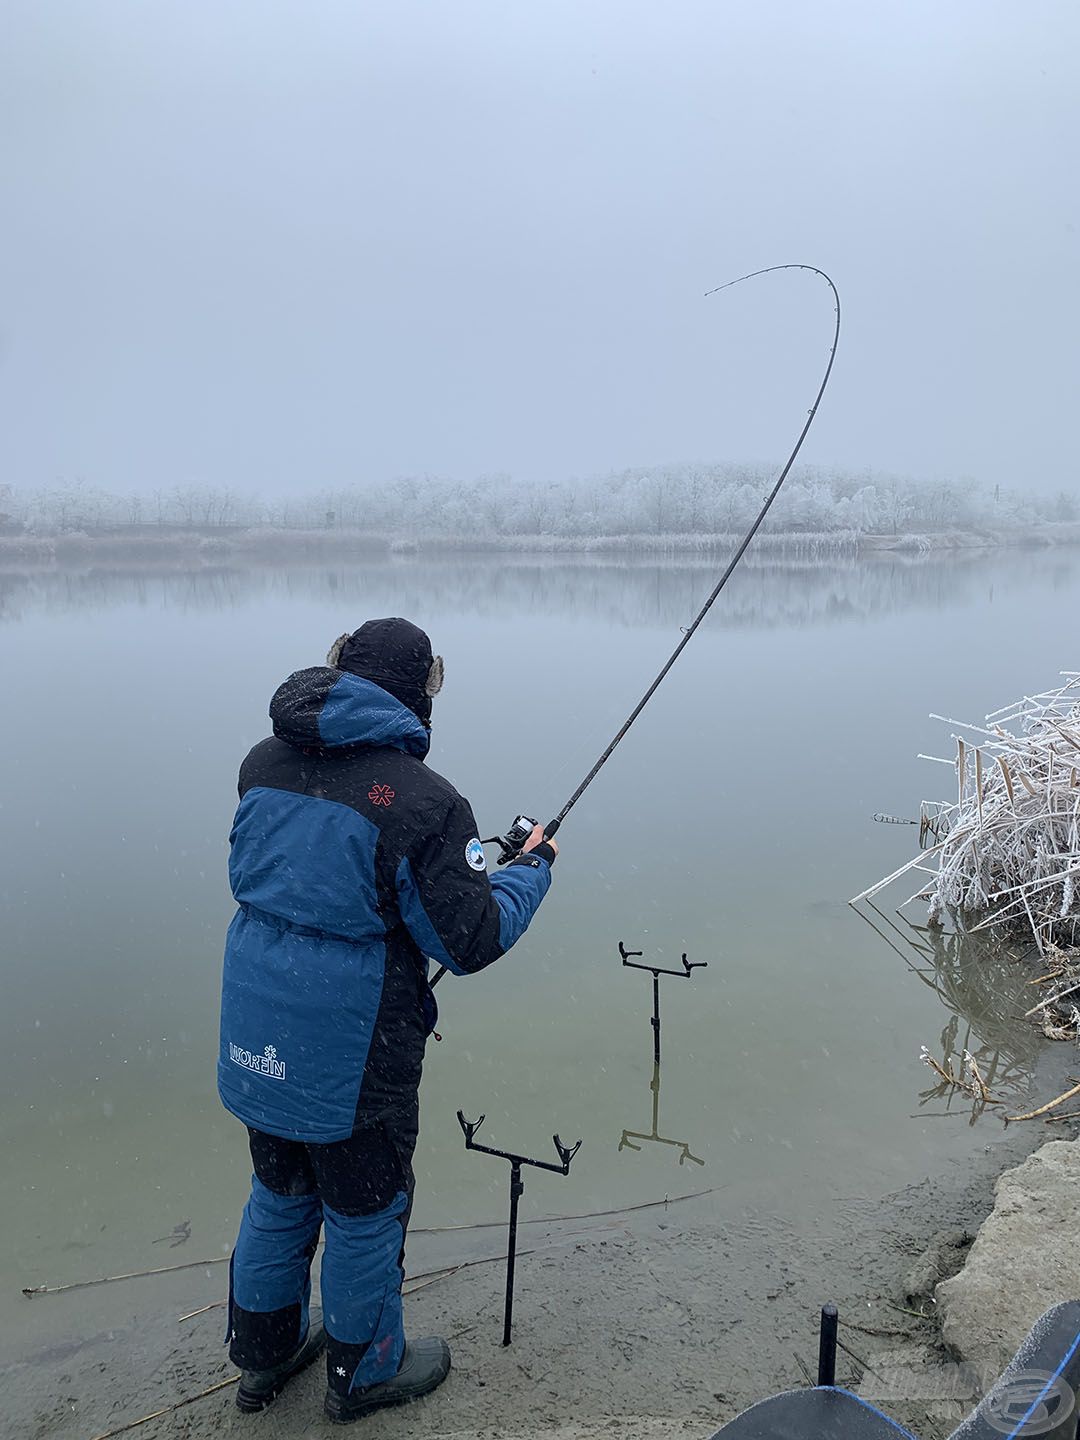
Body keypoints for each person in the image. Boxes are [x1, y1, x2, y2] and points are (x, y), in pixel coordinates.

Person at [216, 617, 557, 1423]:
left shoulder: (261, 763)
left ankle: (261, 1359)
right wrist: (530, 870)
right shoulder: (425, 801)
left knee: (278, 1190)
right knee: (366, 1209)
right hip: (352, 1054)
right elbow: (469, 939)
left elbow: (316, 880)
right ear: (418, 696)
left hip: (256, 1033)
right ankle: (364, 1372)